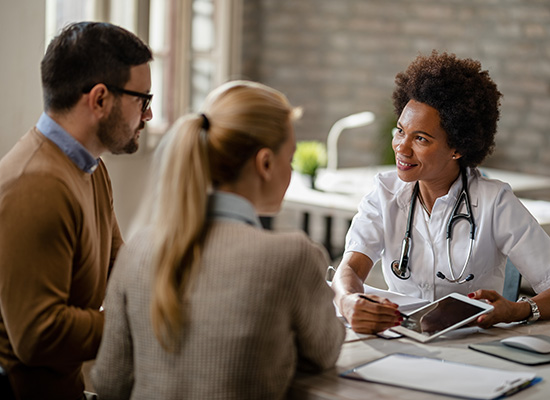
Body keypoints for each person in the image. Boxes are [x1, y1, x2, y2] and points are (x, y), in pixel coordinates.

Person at [91, 80, 345, 399]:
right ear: (265, 163)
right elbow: (324, 352)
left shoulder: (139, 249)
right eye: (290, 159)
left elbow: (110, 382)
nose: (291, 170)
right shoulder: (292, 256)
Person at [331, 51, 550, 334]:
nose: (402, 147)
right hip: (401, 341)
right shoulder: (385, 193)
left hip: (472, 347)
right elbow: (350, 269)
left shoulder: (494, 203)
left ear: (458, 148)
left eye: (421, 138)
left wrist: (515, 310)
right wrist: (348, 300)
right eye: (400, 131)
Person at [0, 22, 153, 399]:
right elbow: (39, 334)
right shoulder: (36, 184)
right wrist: (143, 323)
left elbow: (122, 269)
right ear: (100, 99)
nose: (148, 116)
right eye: (143, 100)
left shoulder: (91, 168)